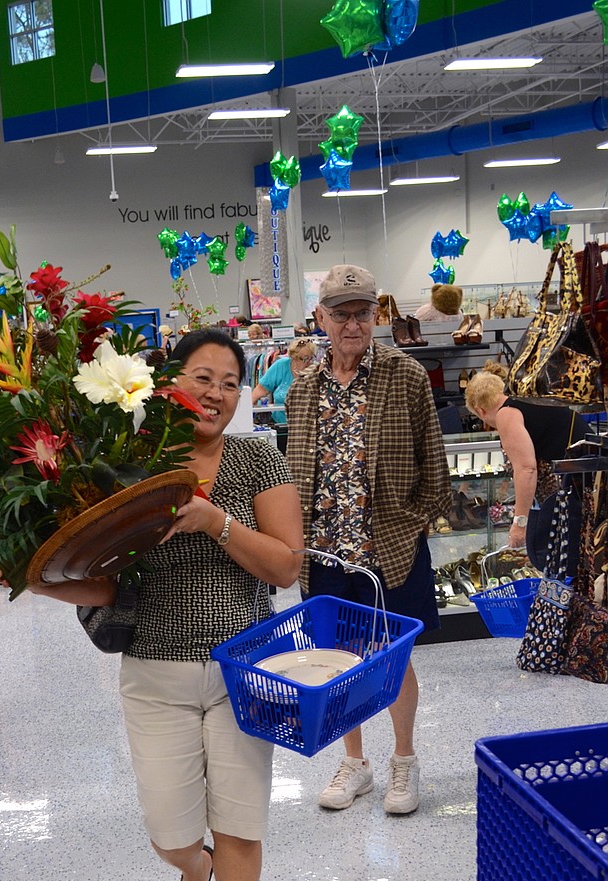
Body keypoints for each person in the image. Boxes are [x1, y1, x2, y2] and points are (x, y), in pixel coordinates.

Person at [0, 329, 304, 881]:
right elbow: (106, 585)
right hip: (155, 674)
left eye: (230, 382)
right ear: (170, 383)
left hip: (244, 673)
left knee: (241, 824)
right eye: (202, 377)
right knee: (171, 836)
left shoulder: (257, 458)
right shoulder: (132, 461)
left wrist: (215, 522)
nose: (215, 393)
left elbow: (287, 566)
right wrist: (35, 577)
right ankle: (195, 872)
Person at [285, 264, 451, 816]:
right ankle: (354, 762)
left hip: (390, 551)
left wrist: (409, 523)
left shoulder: (405, 375)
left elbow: (436, 470)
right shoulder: (304, 388)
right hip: (324, 554)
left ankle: (404, 760)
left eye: (362, 313)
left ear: (376, 315)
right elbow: (295, 470)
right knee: (337, 661)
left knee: (394, 659)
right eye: (341, 314)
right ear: (321, 318)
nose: (352, 324)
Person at [464, 363, 586, 567]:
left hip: (569, 492)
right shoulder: (529, 400)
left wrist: (520, 523)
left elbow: (526, 469)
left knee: (552, 558)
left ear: (480, 410)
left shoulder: (506, 414)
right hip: (585, 483)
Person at [251, 338, 316, 427]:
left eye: (312, 358)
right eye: (306, 359)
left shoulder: (316, 370)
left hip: (309, 426)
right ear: (294, 358)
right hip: (281, 424)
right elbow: (261, 389)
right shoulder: (281, 365)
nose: (310, 362)